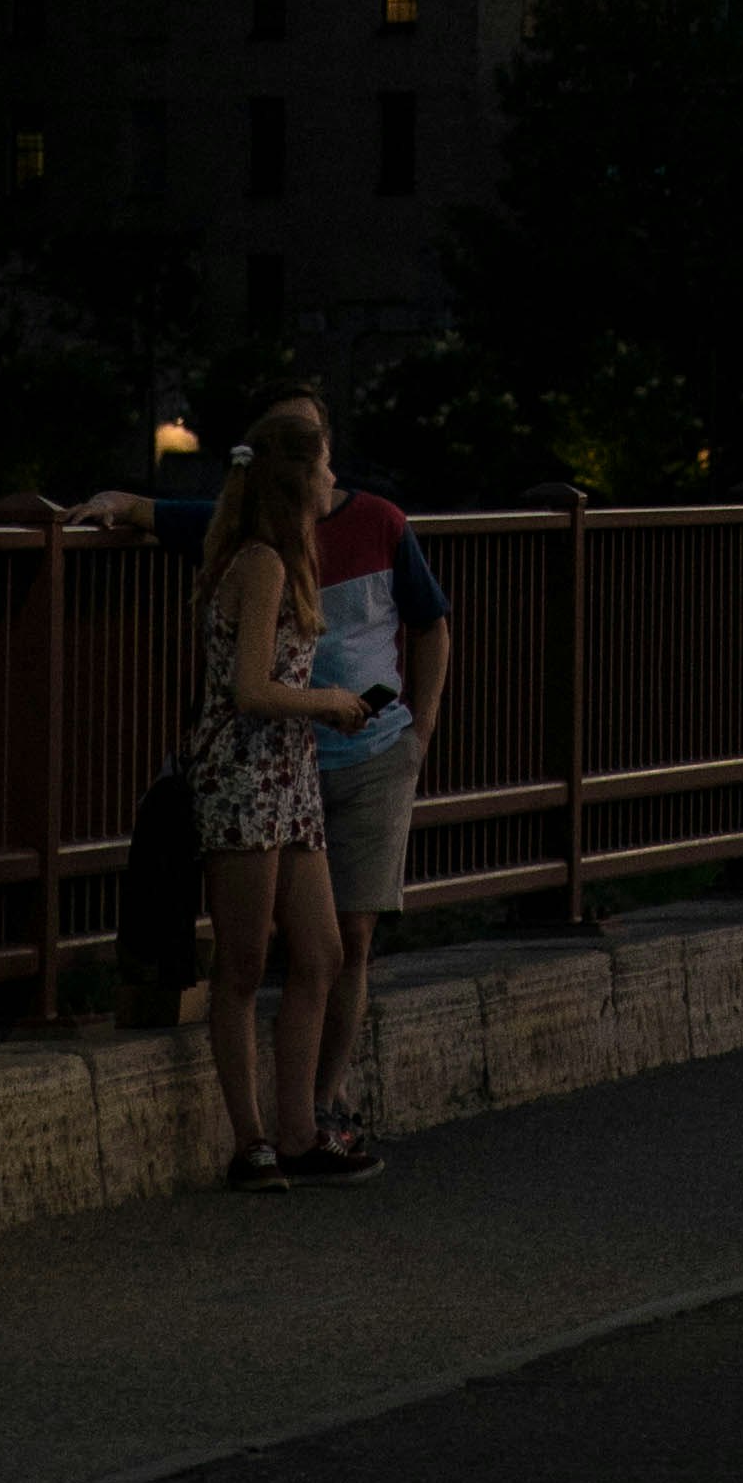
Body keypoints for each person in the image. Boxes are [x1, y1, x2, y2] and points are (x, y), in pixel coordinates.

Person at [189, 401, 397, 1189]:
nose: (335, 480)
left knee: (323, 952)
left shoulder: (287, 556)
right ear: (296, 480)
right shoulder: (262, 563)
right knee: (243, 966)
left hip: (289, 777)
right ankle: (253, 1145)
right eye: (325, 467)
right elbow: (247, 689)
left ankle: (301, 1130)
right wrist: (333, 703)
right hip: (246, 774)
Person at [302, 419, 454, 1156]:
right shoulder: (261, 531)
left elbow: (431, 624)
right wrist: (128, 506)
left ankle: (324, 1095)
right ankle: (296, 1101)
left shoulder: (382, 523)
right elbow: (177, 517)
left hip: (373, 752)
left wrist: (417, 735)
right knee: (304, 943)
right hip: (289, 761)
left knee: (353, 935)